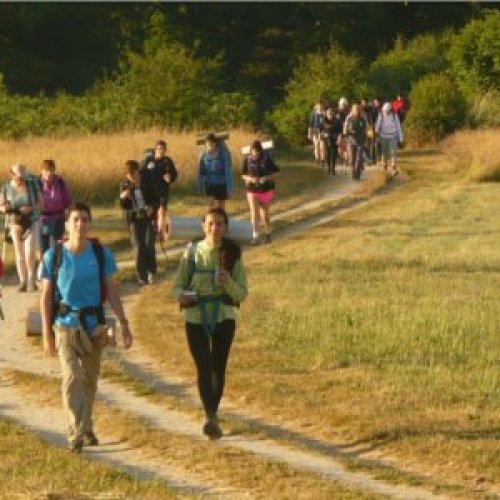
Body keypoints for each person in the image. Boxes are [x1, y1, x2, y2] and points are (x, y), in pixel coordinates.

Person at [40, 201, 133, 453]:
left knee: (90, 380)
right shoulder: (54, 256)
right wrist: (47, 333)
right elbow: (46, 296)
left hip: (94, 327)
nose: (81, 224)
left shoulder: (101, 253)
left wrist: (123, 323)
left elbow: (112, 290)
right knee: (72, 377)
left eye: (84, 219)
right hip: (65, 326)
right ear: (67, 225)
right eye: (75, 220)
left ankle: (86, 424)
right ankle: (75, 432)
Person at [173, 207, 247, 439]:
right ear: (203, 226)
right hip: (195, 317)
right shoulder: (192, 253)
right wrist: (181, 296)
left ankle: (211, 415)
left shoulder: (233, 254)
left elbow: (242, 293)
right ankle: (210, 416)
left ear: (226, 228)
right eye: (211, 224)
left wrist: (227, 283)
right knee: (204, 366)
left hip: (224, 316)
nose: (215, 228)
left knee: (218, 366)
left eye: (220, 224)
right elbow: (177, 285)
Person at [0, 164, 41, 292]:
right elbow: (1, 206)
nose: (20, 179)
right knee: (19, 253)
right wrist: (4, 208)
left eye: (22, 176)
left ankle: (31, 280)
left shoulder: (33, 185)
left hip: (31, 221)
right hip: (14, 221)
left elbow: (41, 203)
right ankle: (22, 281)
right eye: (17, 176)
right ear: (12, 174)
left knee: (29, 252)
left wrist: (30, 208)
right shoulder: (6, 187)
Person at [120, 160, 156, 286]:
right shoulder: (125, 186)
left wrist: (151, 207)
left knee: (148, 244)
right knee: (138, 246)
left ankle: (151, 271)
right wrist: (124, 197)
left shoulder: (147, 183)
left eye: (134, 173)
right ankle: (142, 276)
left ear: (138, 172)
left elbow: (155, 200)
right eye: (129, 175)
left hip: (148, 218)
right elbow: (123, 206)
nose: (132, 177)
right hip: (134, 220)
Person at [241, 140, 280, 244]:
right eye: (253, 151)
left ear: (260, 150)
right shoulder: (247, 159)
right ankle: (255, 236)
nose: (255, 154)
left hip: (266, 189)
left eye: (257, 151)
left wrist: (266, 178)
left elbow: (276, 172)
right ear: (250, 151)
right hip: (252, 189)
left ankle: (267, 234)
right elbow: (243, 174)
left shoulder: (266, 159)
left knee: (265, 214)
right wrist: (250, 179)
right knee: (254, 213)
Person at [140, 140, 178, 243]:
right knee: (151, 214)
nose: (161, 151)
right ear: (155, 149)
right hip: (150, 192)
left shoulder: (167, 161)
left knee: (161, 212)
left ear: (166, 150)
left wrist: (170, 178)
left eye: (163, 149)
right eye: (159, 149)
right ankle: (152, 232)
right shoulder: (148, 161)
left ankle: (160, 234)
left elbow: (174, 174)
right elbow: (140, 174)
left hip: (163, 192)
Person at [39, 159, 72, 257]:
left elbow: (68, 201)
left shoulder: (60, 183)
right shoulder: (36, 183)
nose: (48, 173)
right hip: (43, 219)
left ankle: (57, 266)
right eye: (46, 171)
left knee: (57, 244)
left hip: (58, 218)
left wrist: (68, 216)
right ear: (41, 171)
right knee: (43, 246)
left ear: (54, 170)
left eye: (51, 170)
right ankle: (45, 267)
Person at [197, 133, 233, 210]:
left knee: (221, 207)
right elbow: (200, 172)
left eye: (212, 143)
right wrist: (199, 186)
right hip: (209, 184)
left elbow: (227, 171)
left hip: (221, 184)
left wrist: (229, 188)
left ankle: (222, 221)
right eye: (208, 143)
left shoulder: (223, 154)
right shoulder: (203, 155)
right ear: (206, 144)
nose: (210, 145)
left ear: (216, 143)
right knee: (211, 205)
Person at [375, 102, 404, 175]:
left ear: (390, 110)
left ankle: (393, 167)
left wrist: (401, 138)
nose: (386, 112)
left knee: (393, 152)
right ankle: (384, 165)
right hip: (383, 137)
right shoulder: (381, 115)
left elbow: (398, 127)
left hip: (393, 136)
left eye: (387, 111)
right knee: (384, 152)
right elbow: (377, 126)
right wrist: (376, 134)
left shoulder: (394, 116)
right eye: (384, 111)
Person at [343, 104, 368, 181]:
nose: (356, 111)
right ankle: (353, 171)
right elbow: (344, 130)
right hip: (350, 141)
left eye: (358, 109)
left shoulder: (363, 118)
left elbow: (367, 129)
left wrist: (368, 137)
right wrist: (348, 131)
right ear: (352, 110)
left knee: (359, 158)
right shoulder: (349, 118)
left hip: (360, 140)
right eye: (355, 109)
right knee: (351, 159)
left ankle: (357, 173)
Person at [320, 107, 343, 175]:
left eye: (331, 113)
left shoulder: (337, 121)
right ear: (326, 114)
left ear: (333, 114)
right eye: (328, 114)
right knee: (327, 153)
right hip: (325, 138)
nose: (330, 115)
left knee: (333, 153)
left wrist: (339, 138)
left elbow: (340, 131)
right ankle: (328, 168)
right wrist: (323, 134)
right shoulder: (323, 120)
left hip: (334, 138)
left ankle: (333, 169)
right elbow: (320, 130)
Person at [307, 101, 326, 166]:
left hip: (323, 132)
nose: (320, 107)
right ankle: (317, 159)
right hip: (315, 131)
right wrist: (309, 133)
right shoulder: (313, 114)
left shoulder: (325, 114)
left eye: (321, 106)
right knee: (316, 145)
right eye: (318, 106)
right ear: (316, 107)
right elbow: (310, 124)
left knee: (322, 146)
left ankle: (323, 160)